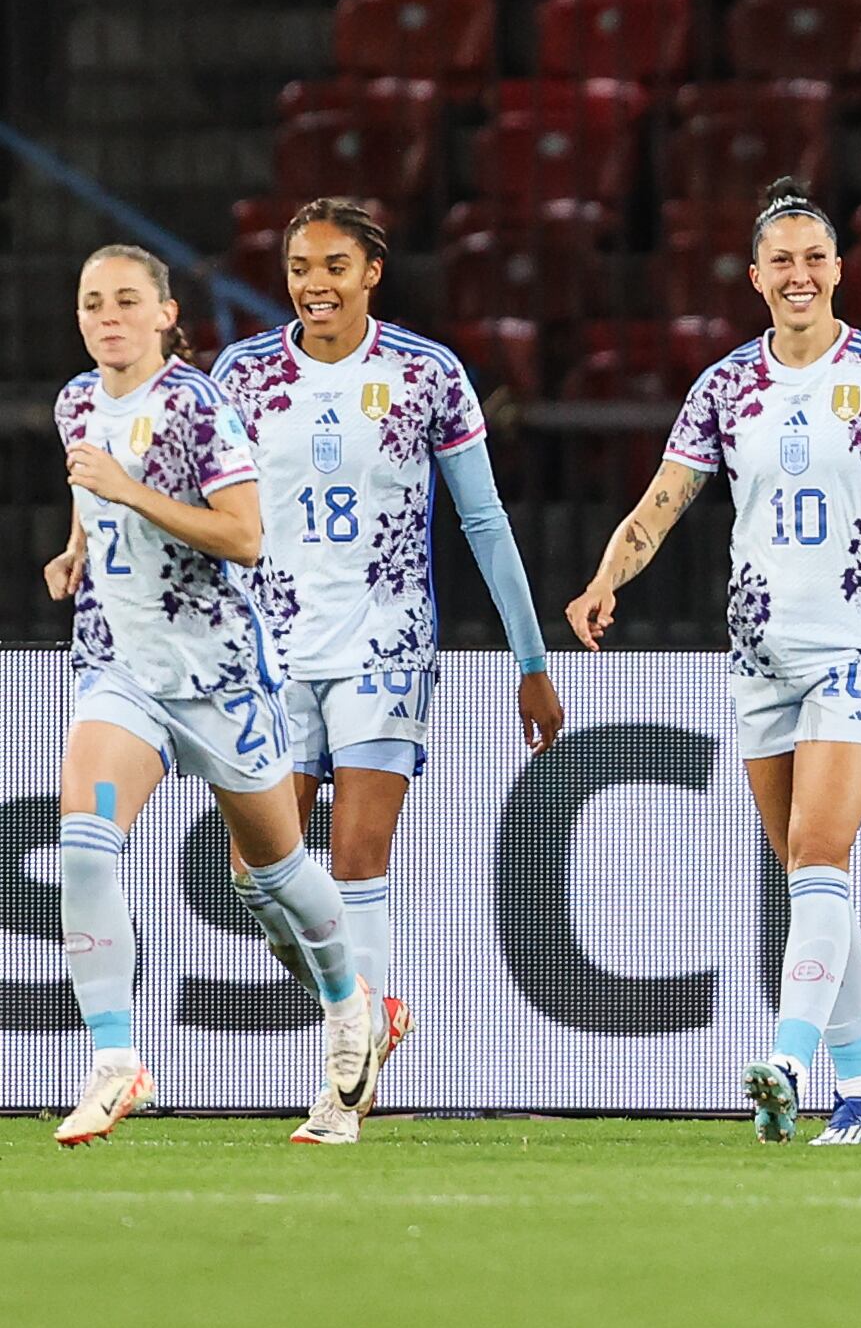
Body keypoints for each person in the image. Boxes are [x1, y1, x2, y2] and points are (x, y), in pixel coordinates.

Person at [566, 178, 861, 1145]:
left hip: (860, 648)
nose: (800, 275)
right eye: (783, 261)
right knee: (809, 880)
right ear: (756, 276)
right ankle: (854, 1093)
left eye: (816, 258)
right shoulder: (726, 386)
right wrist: (606, 579)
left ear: (838, 270)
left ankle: (790, 1056)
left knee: (817, 854)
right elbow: (663, 503)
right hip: (758, 657)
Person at [212, 198, 563, 1144]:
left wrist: (530, 659)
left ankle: (343, 1095)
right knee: (257, 869)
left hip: (385, 642)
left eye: (333, 265)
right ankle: (363, 1005)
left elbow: (483, 523)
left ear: (373, 271)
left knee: (359, 859)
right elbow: (200, 506)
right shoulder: (240, 376)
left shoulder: (425, 374)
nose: (313, 284)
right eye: (297, 267)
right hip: (269, 651)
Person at [46, 245, 374, 1145]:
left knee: (274, 874)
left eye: (124, 301)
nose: (106, 316)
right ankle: (115, 1061)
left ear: (163, 313)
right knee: (83, 842)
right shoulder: (78, 402)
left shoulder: (196, 405)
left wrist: (127, 490)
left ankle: (353, 1010)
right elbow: (91, 486)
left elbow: (243, 536)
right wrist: (78, 546)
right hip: (121, 670)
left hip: (218, 680)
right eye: (91, 303)